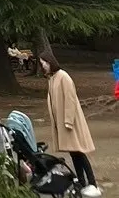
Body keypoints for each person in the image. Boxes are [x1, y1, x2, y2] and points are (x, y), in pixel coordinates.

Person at [40, 57, 101, 197]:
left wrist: (68, 121)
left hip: (71, 124)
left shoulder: (63, 77)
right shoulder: (52, 78)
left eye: (45, 62)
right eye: (42, 63)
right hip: (62, 123)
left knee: (79, 152)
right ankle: (81, 182)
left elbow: (70, 99)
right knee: (74, 153)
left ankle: (92, 183)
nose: (43, 66)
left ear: (51, 62)